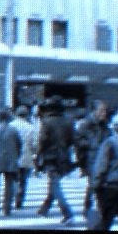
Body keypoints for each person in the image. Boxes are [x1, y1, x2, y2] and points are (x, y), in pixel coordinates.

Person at [35, 96, 76, 225]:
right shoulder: (69, 121)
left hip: (50, 157)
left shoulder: (46, 122)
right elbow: (73, 140)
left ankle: (67, 213)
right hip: (64, 157)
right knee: (54, 183)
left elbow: (42, 142)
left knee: (55, 184)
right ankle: (44, 209)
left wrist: (38, 157)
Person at [74, 100, 111, 219]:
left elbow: (109, 138)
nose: (104, 113)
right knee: (94, 184)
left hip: (103, 158)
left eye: (105, 111)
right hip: (90, 158)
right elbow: (77, 141)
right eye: (101, 110)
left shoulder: (105, 125)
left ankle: (97, 208)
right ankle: (89, 208)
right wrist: (91, 144)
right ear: (94, 111)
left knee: (100, 184)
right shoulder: (85, 124)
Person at [9, 104, 38, 209]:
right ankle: (19, 200)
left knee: (12, 179)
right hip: (26, 157)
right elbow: (34, 144)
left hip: (12, 157)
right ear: (27, 115)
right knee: (23, 180)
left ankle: (12, 195)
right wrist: (35, 154)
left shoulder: (10, 126)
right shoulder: (31, 128)